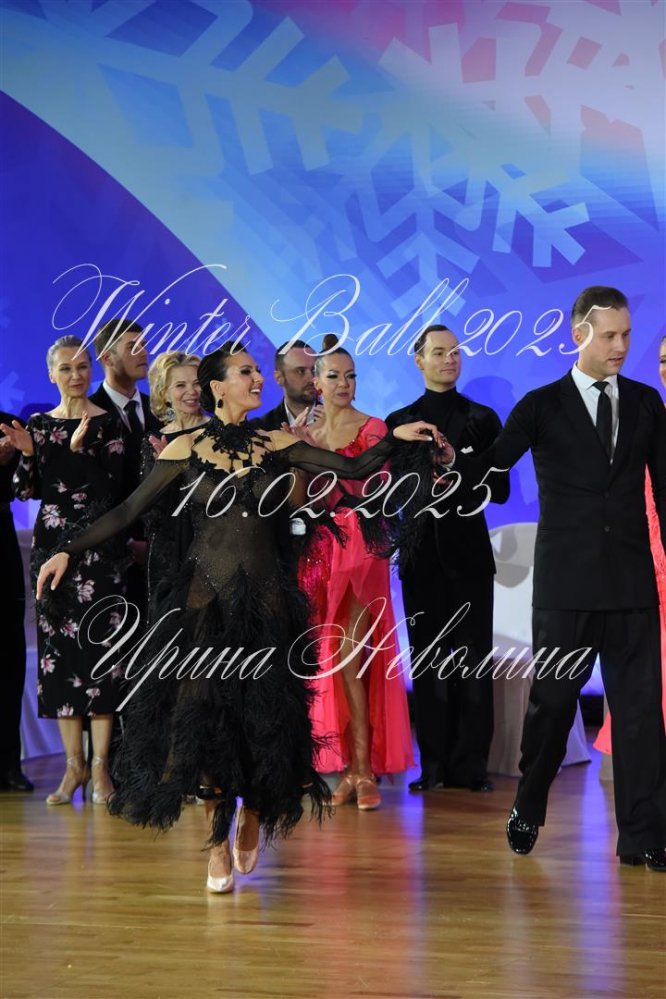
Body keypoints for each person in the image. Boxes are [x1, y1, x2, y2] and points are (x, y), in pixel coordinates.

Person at [35, 343, 437, 892]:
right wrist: (67, 549)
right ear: (218, 386)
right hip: (203, 609)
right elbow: (128, 510)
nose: (257, 379)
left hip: (268, 608)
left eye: (257, 372)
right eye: (245, 372)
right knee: (204, 722)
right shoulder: (186, 447)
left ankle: (253, 812)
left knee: (265, 722)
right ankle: (217, 838)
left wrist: (397, 437)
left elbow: (352, 467)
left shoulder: (279, 443)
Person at [441, 287, 665, 871]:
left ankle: (643, 835)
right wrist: (445, 459)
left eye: (626, 335)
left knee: (640, 714)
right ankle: (530, 802)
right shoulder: (541, 405)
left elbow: (664, 492)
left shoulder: (646, 403)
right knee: (553, 704)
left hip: (632, 586)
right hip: (567, 586)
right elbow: (492, 464)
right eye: (609, 335)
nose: (620, 346)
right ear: (578, 334)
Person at [1, 336, 127, 806]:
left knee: (102, 655)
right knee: (60, 659)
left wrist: (79, 451)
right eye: (67, 368)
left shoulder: (108, 422)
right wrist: (27, 454)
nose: (76, 375)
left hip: (100, 549)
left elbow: (115, 492)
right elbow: (26, 490)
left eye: (83, 366)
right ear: (51, 374)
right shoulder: (38, 425)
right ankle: (73, 767)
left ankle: (101, 768)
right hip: (51, 547)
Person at [385, 325, 509, 793]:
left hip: (471, 558)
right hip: (421, 559)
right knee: (428, 662)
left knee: (474, 662)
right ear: (419, 360)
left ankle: (471, 765)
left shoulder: (482, 419)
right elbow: (389, 491)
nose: (449, 359)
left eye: (455, 351)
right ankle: (433, 764)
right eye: (438, 352)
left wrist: (458, 466)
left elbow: (501, 489)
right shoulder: (400, 422)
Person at [297, 338, 415, 811]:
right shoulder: (304, 431)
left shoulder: (373, 428)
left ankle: (364, 768)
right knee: (327, 658)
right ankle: (345, 766)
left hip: (361, 548)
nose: (344, 384)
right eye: (334, 376)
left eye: (350, 376)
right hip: (318, 551)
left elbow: (373, 489)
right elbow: (302, 498)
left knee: (352, 655)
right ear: (316, 382)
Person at [594, 333, 666, 754]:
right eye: (663, 360)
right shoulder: (645, 417)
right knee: (650, 667)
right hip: (647, 558)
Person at [90, 319, 162, 614]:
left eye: (144, 345)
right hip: (109, 563)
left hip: (163, 556)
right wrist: (127, 543)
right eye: (132, 347)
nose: (143, 352)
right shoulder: (87, 415)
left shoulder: (162, 411)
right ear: (107, 357)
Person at [140, 352, 208, 607]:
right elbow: (149, 512)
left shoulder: (219, 431)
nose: (191, 391)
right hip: (168, 552)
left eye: (196, 383)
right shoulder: (153, 441)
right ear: (164, 393)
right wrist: (163, 475)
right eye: (180, 385)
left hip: (212, 545)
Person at [0, 412, 33, 792]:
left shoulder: (9, 424)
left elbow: (28, 488)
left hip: (2, 533)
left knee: (9, 651)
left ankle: (9, 762)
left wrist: (22, 455)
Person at [252, 340, 318, 430]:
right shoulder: (261, 428)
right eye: (300, 371)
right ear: (279, 377)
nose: (312, 378)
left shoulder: (337, 420)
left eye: (314, 370)